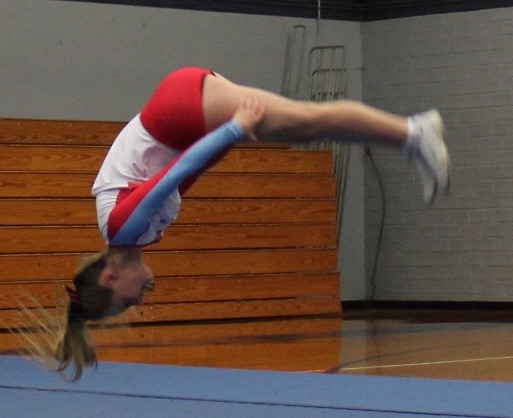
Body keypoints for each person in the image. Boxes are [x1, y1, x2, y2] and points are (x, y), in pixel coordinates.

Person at [37, 67, 450, 381]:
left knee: (309, 121)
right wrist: (228, 138)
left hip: (179, 109)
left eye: (126, 302)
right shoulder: (141, 235)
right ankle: (411, 138)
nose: (139, 301)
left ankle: (414, 133)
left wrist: (232, 128)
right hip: (181, 117)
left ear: (110, 276)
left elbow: (175, 174)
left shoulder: (124, 228)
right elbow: (182, 174)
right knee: (307, 125)